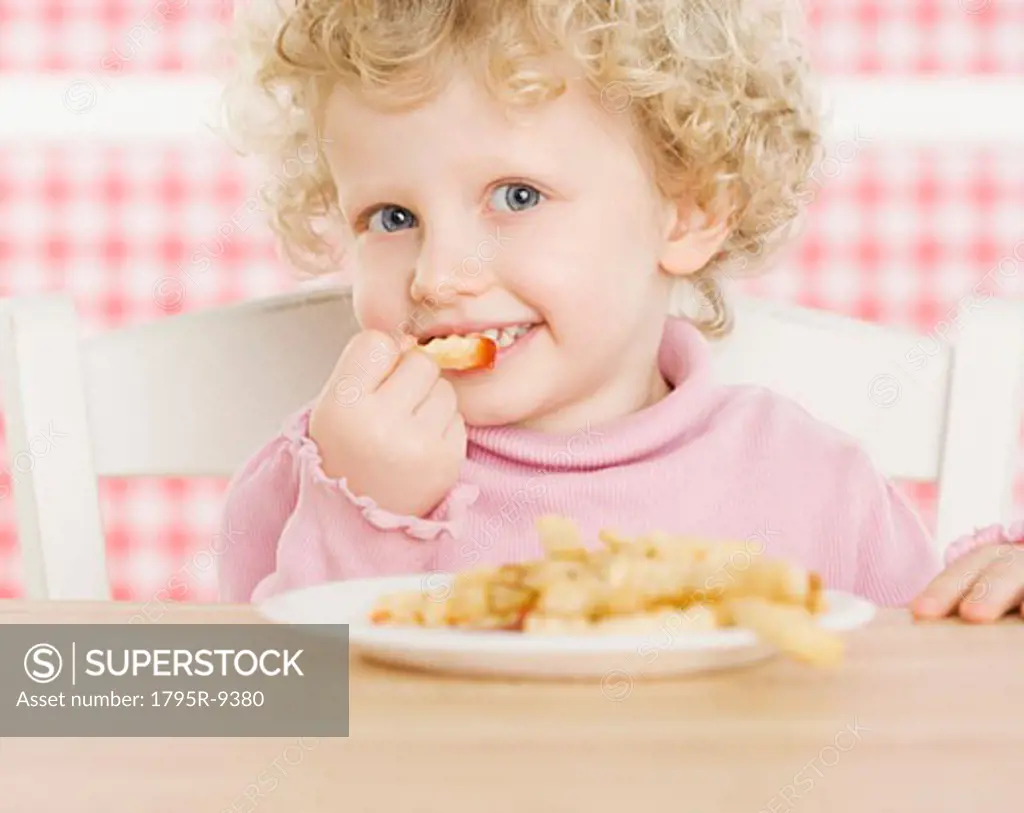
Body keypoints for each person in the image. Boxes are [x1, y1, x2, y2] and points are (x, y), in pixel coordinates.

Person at [214, 0, 1023, 620]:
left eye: (516, 196)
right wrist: (369, 516)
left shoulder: (817, 487)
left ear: (689, 210)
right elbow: (273, 735)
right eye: (391, 218)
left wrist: (995, 607)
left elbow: (924, 710)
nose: (439, 276)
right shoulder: (324, 477)